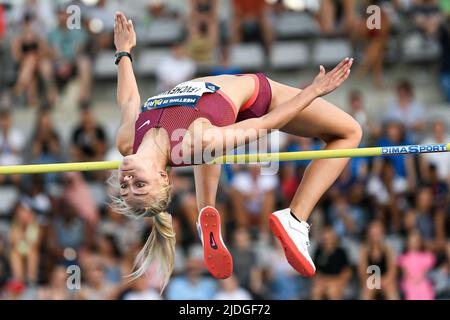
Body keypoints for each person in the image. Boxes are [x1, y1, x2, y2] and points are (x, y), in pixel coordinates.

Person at [109, 12, 360, 291]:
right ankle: (295, 218)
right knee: (350, 132)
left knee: (204, 145)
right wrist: (312, 91)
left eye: (125, 184)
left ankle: (206, 210)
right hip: (258, 101)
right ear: (163, 177)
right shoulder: (197, 141)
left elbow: (129, 98)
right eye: (140, 184)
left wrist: (123, 52)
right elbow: (266, 123)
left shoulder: (128, 140)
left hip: (211, 127)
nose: (128, 178)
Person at [358, 221, 399, 300]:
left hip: (386, 281)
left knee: (391, 289)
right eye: (373, 234)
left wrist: (383, 282)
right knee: (367, 290)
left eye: (378, 233)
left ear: (382, 234)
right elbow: (362, 271)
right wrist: (373, 283)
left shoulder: (388, 249)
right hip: (370, 282)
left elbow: (393, 271)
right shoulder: (364, 250)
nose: (375, 236)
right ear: (369, 234)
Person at [398, 230, 436, 300]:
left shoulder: (426, 256)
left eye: (416, 241)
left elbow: (425, 272)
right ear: (407, 243)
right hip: (409, 281)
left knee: (425, 289)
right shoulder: (404, 257)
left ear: (420, 242)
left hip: (422, 281)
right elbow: (405, 273)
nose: (414, 243)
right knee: (411, 292)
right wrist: (411, 279)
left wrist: (419, 279)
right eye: (412, 241)